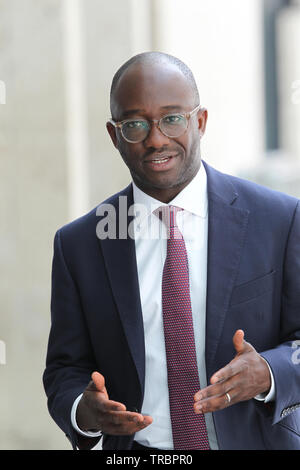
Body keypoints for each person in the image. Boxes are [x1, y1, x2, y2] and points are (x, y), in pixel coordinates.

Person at [43, 52, 300, 450]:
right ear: (114, 136)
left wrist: (269, 372)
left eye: (172, 118)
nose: (155, 138)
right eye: (135, 124)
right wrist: (83, 410)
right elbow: (64, 369)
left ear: (200, 121)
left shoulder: (280, 220)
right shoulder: (79, 244)